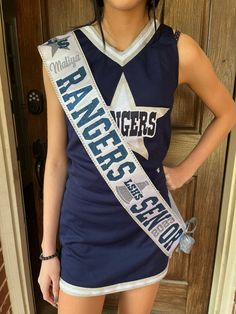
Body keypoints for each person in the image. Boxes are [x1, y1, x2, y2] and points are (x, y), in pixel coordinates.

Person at [37, 0, 236, 313]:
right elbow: (56, 161)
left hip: (146, 229)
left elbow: (228, 113)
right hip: (84, 233)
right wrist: (48, 252)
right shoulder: (63, 55)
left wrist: (186, 171)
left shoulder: (179, 49)